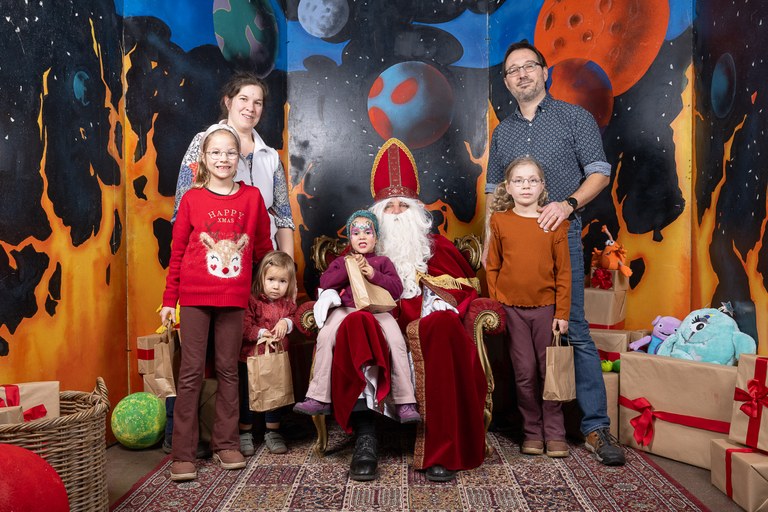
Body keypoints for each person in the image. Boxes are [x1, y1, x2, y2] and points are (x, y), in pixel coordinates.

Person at [314, 138, 487, 482]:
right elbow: (333, 281)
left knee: (441, 328)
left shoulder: (437, 248)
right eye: (389, 206)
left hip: (421, 323)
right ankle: (366, 436)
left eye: (403, 205)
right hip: (373, 322)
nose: (395, 212)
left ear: (417, 212)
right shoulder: (360, 250)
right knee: (356, 325)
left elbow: (461, 288)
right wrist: (332, 297)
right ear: (376, 215)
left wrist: (437, 306)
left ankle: (441, 443)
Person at [485, 40, 625, 466]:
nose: (522, 74)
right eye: (513, 70)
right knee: (517, 339)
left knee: (573, 329)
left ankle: (595, 427)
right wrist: (490, 244)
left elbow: (600, 173)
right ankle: (526, 423)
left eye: (529, 66)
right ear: (507, 82)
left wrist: (567, 205)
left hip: (560, 238)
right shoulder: (502, 132)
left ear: (545, 72)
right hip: (514, 247)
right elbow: (492, 192)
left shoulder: (574, 117)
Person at [160, 123, 273, 482]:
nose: (223, 158)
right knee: (191, 372)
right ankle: (183, 452)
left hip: (234, 298)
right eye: (216, 153)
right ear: (204, 159)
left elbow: (263, 248)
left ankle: (226, 443)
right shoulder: (191, 199)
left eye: (230, 152)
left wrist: (268, 297)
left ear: (238, 158)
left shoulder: (252, 198)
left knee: (228, 369)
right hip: (194, 297)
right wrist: (169, 300)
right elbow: (177, 252)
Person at [293, 210, 421, 437]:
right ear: (350, 239)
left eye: (368, 232)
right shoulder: (341, 261)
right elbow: (326, 283)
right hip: (347, 309)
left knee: (396, 341)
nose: (362, 236)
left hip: (377, 309)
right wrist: (348, 266)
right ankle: (318, 396)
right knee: (326, 335)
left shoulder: (383, 262)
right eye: (356, 232)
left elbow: (396, 289)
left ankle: (404, 402)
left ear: (376, 237)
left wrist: (372, 273)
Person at [486, 156, 571, 458]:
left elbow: (563, 272)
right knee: (524, 373)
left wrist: (562, 313)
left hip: (546, 310)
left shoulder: (554, 223)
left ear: (542, 186)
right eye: (519, 181)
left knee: (549, 372)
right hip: (512, 311)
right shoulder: (500, 221)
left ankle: (555, 432)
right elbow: (492, 266)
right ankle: (532, 432)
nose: (526, 186)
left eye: (532, 180)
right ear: (508, 187)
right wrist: (497, 304)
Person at [172, 71, 295, 257]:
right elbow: (182, 211)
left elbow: (283, 218)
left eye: (258, 103)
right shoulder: (202, 142)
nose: (250, 108)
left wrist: (287, 267)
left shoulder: (271, 157)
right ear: (228, 102)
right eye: (243, 99)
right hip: (215, 259)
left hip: (265, 260)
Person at [238, 250, 298, 456]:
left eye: (282, 281)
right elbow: (245, 327)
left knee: (275, 394)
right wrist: (261, 332)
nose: (276, 286)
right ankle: (245, 432)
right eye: (271, 279)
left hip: (276, 359)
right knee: (249, 396)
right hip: (252, 358)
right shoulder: (253, 300)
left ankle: (273, 432)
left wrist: (286, 322)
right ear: (261, 278)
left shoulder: (287, 303)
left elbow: (294, 317)